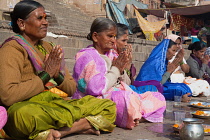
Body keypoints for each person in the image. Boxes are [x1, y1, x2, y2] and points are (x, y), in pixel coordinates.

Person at [0, 1, 116, 140]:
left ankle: (62, 131)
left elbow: (71, 89)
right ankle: (81, 125)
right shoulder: (11, 49)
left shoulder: (50, 48)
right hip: (28, 106)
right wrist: (46, 75)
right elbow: (8, 96)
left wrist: (57, 75)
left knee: (108, 106)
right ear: (21, 24)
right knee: (24, 116)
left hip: (54, 104)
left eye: (46, 18)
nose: (45, 23)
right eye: (39, 18)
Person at [72, 17, 166, 129]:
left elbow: (125, 83)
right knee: (126, 99)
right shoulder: (88, 57)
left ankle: (135, 115)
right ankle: (134, 114)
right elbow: (96, 88)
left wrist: (123, 68)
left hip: (116, 93)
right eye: (110, 36)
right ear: (95, 37)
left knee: (157, 97)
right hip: (93, 99)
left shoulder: (111, 54)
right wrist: (116, 69)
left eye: (115, 37)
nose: (113, 40)